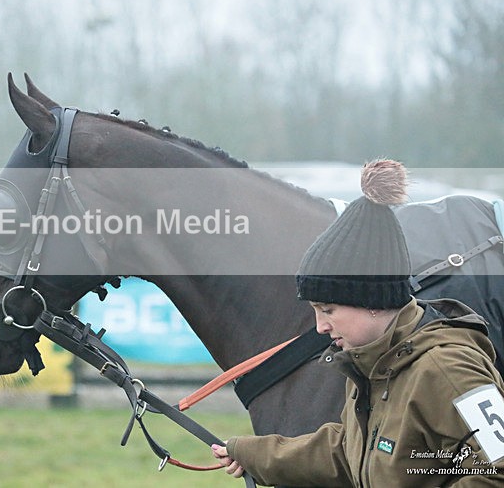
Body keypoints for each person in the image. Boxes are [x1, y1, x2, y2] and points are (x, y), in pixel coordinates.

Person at [212, 159, 504, 487]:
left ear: (372, 303)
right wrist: (251, 452)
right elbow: (347, 450)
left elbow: (498, 471)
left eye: (328, 310)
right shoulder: (369, 365)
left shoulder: (446, 369)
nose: (320, 326)